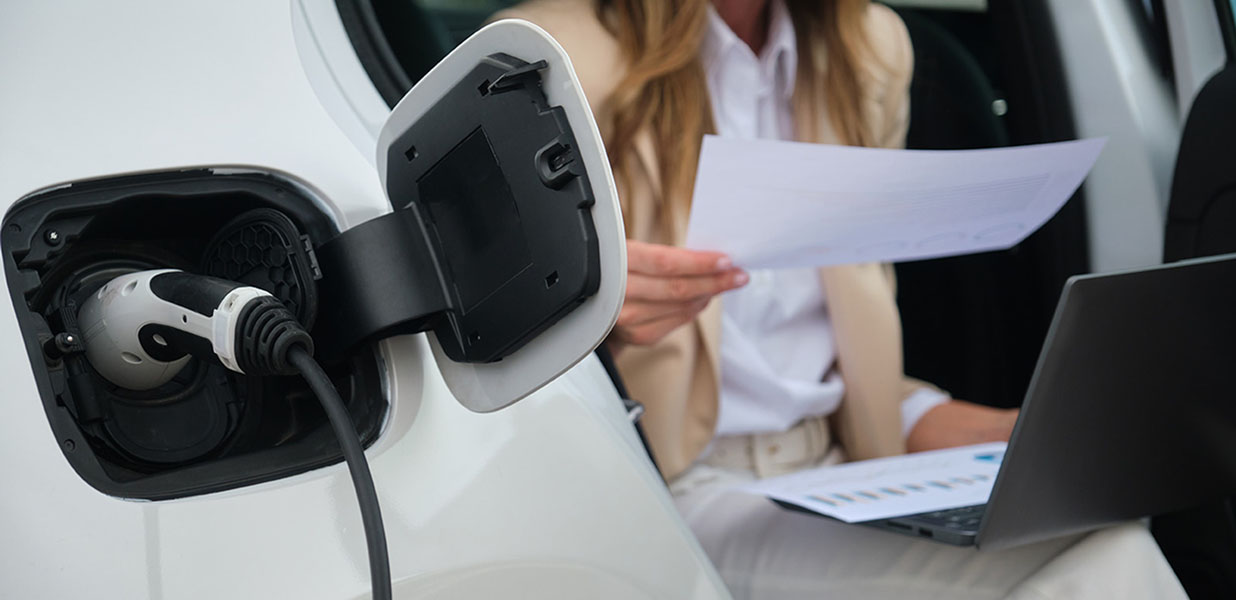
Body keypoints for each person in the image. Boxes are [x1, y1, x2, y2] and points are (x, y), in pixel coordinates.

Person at [494, 0, 1187, 597]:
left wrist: (1009, 434)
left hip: (836, 477)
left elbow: (825, 367)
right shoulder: (551, 59)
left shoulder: (870, 51)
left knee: (1097, 529)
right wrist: (594, 315)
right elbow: (488, 350)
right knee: (1098, 561)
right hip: (675, 488)